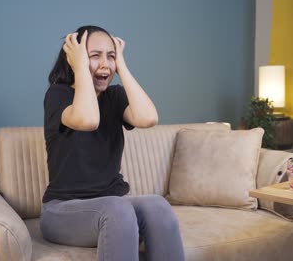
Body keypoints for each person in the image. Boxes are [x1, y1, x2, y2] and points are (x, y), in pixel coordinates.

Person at [41, 25, 185, 261]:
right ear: (74, 59)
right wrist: (80, 70)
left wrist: (123, 67)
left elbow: (148, 118)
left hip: (116, 208)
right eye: (94, 56)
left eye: (111, 56)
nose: (105, 64)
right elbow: (88, 119)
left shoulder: (115, 96)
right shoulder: (58, 96)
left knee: (158, 206)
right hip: (62, 211)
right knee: (117, 210)